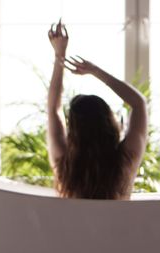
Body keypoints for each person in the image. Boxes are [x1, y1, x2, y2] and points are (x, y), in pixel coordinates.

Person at [47, 19, 148, 199]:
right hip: (119, 228)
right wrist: (95, 71)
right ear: (109, 122)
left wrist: (59, 54)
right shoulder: (125, 161)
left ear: (74, 129)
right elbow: (138, 103)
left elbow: (53, 108)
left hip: (71, 229)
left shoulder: (64, 165)